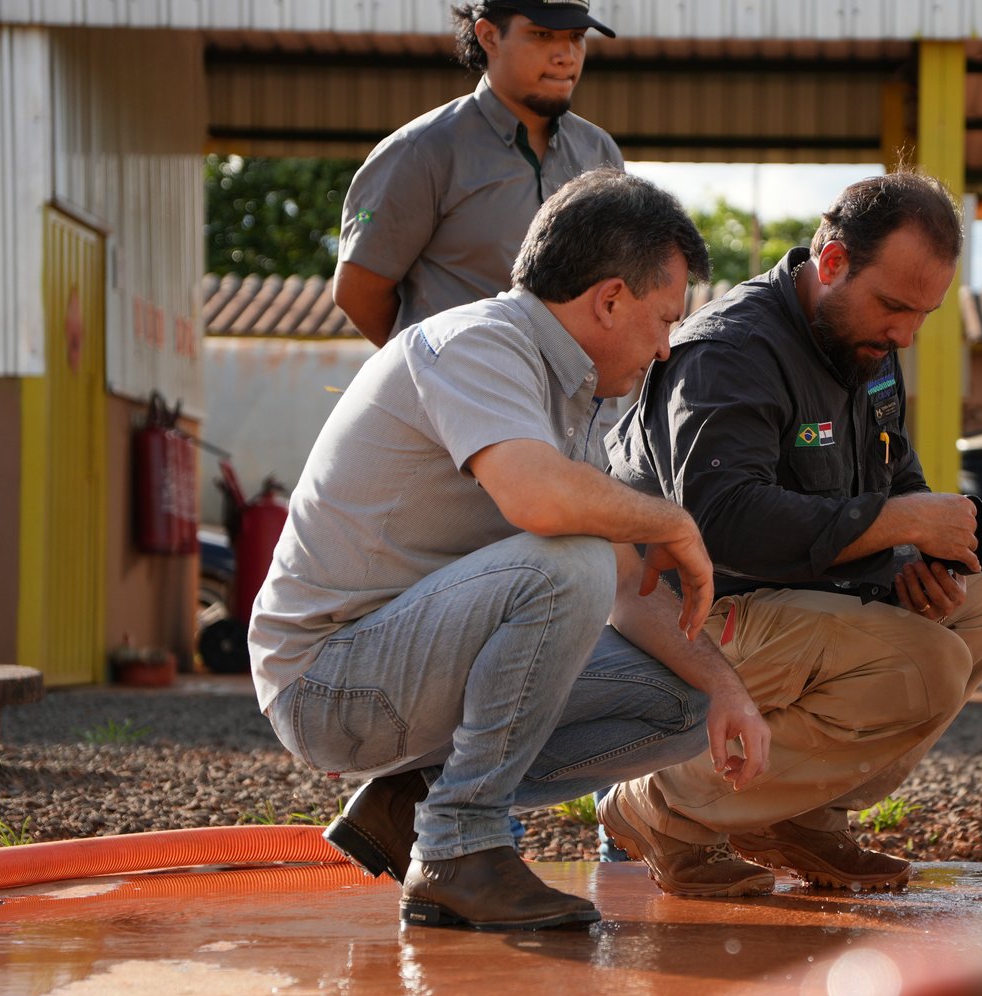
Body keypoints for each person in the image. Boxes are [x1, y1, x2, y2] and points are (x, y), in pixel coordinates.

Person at [249, 170, 770, 932]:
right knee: (571, 561)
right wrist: (672, 522)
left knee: (682, 700)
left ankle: (422, 793)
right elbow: (541, 504)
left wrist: (727, 689)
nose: (666, 349)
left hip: (404, 666)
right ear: (610, 298)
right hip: (329, 684)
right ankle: (459, 845)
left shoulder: (577, 396)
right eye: (664, 320)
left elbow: (627, 589)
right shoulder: (480, 343)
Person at [601, 170, 982, 897]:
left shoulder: (864, 342)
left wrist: (917, 547)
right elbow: (718, 522)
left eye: (923, 315)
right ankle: (659, 802)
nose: (905, 334)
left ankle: (798, 817)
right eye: (894, 306)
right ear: (831, 264)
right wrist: (892, 523)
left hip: (790, 599)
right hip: (680, 619)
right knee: (925, 664)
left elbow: (896, 473)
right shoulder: (730, 351)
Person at [333, 0, 621, 347]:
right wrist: (439, 373)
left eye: (576, 36)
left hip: (574, 399)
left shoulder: (600, 153)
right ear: (489, 36)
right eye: (542, 35)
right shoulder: (423, 151)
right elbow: (358, 291)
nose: (566, 55)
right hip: (454, 397)